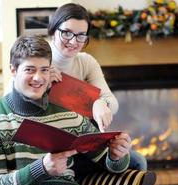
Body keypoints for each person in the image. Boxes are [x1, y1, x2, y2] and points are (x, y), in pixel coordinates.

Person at [0, 35, 131, 185]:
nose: (39, 78)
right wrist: (41, 169)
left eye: (44, 70)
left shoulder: (69, 113)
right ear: (13, 70)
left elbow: (109, 162)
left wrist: (116, 155)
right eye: (30, 69)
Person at [47, 3, 147, 170]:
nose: (73, 41)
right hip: (48, 145)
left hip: (82, 142)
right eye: (66, 33)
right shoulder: (38, 59)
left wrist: (97, 103)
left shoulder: (86, 61)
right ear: (53, 31)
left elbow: (112, 103)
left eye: (81, 36)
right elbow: (12, 100)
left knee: (138, 162)